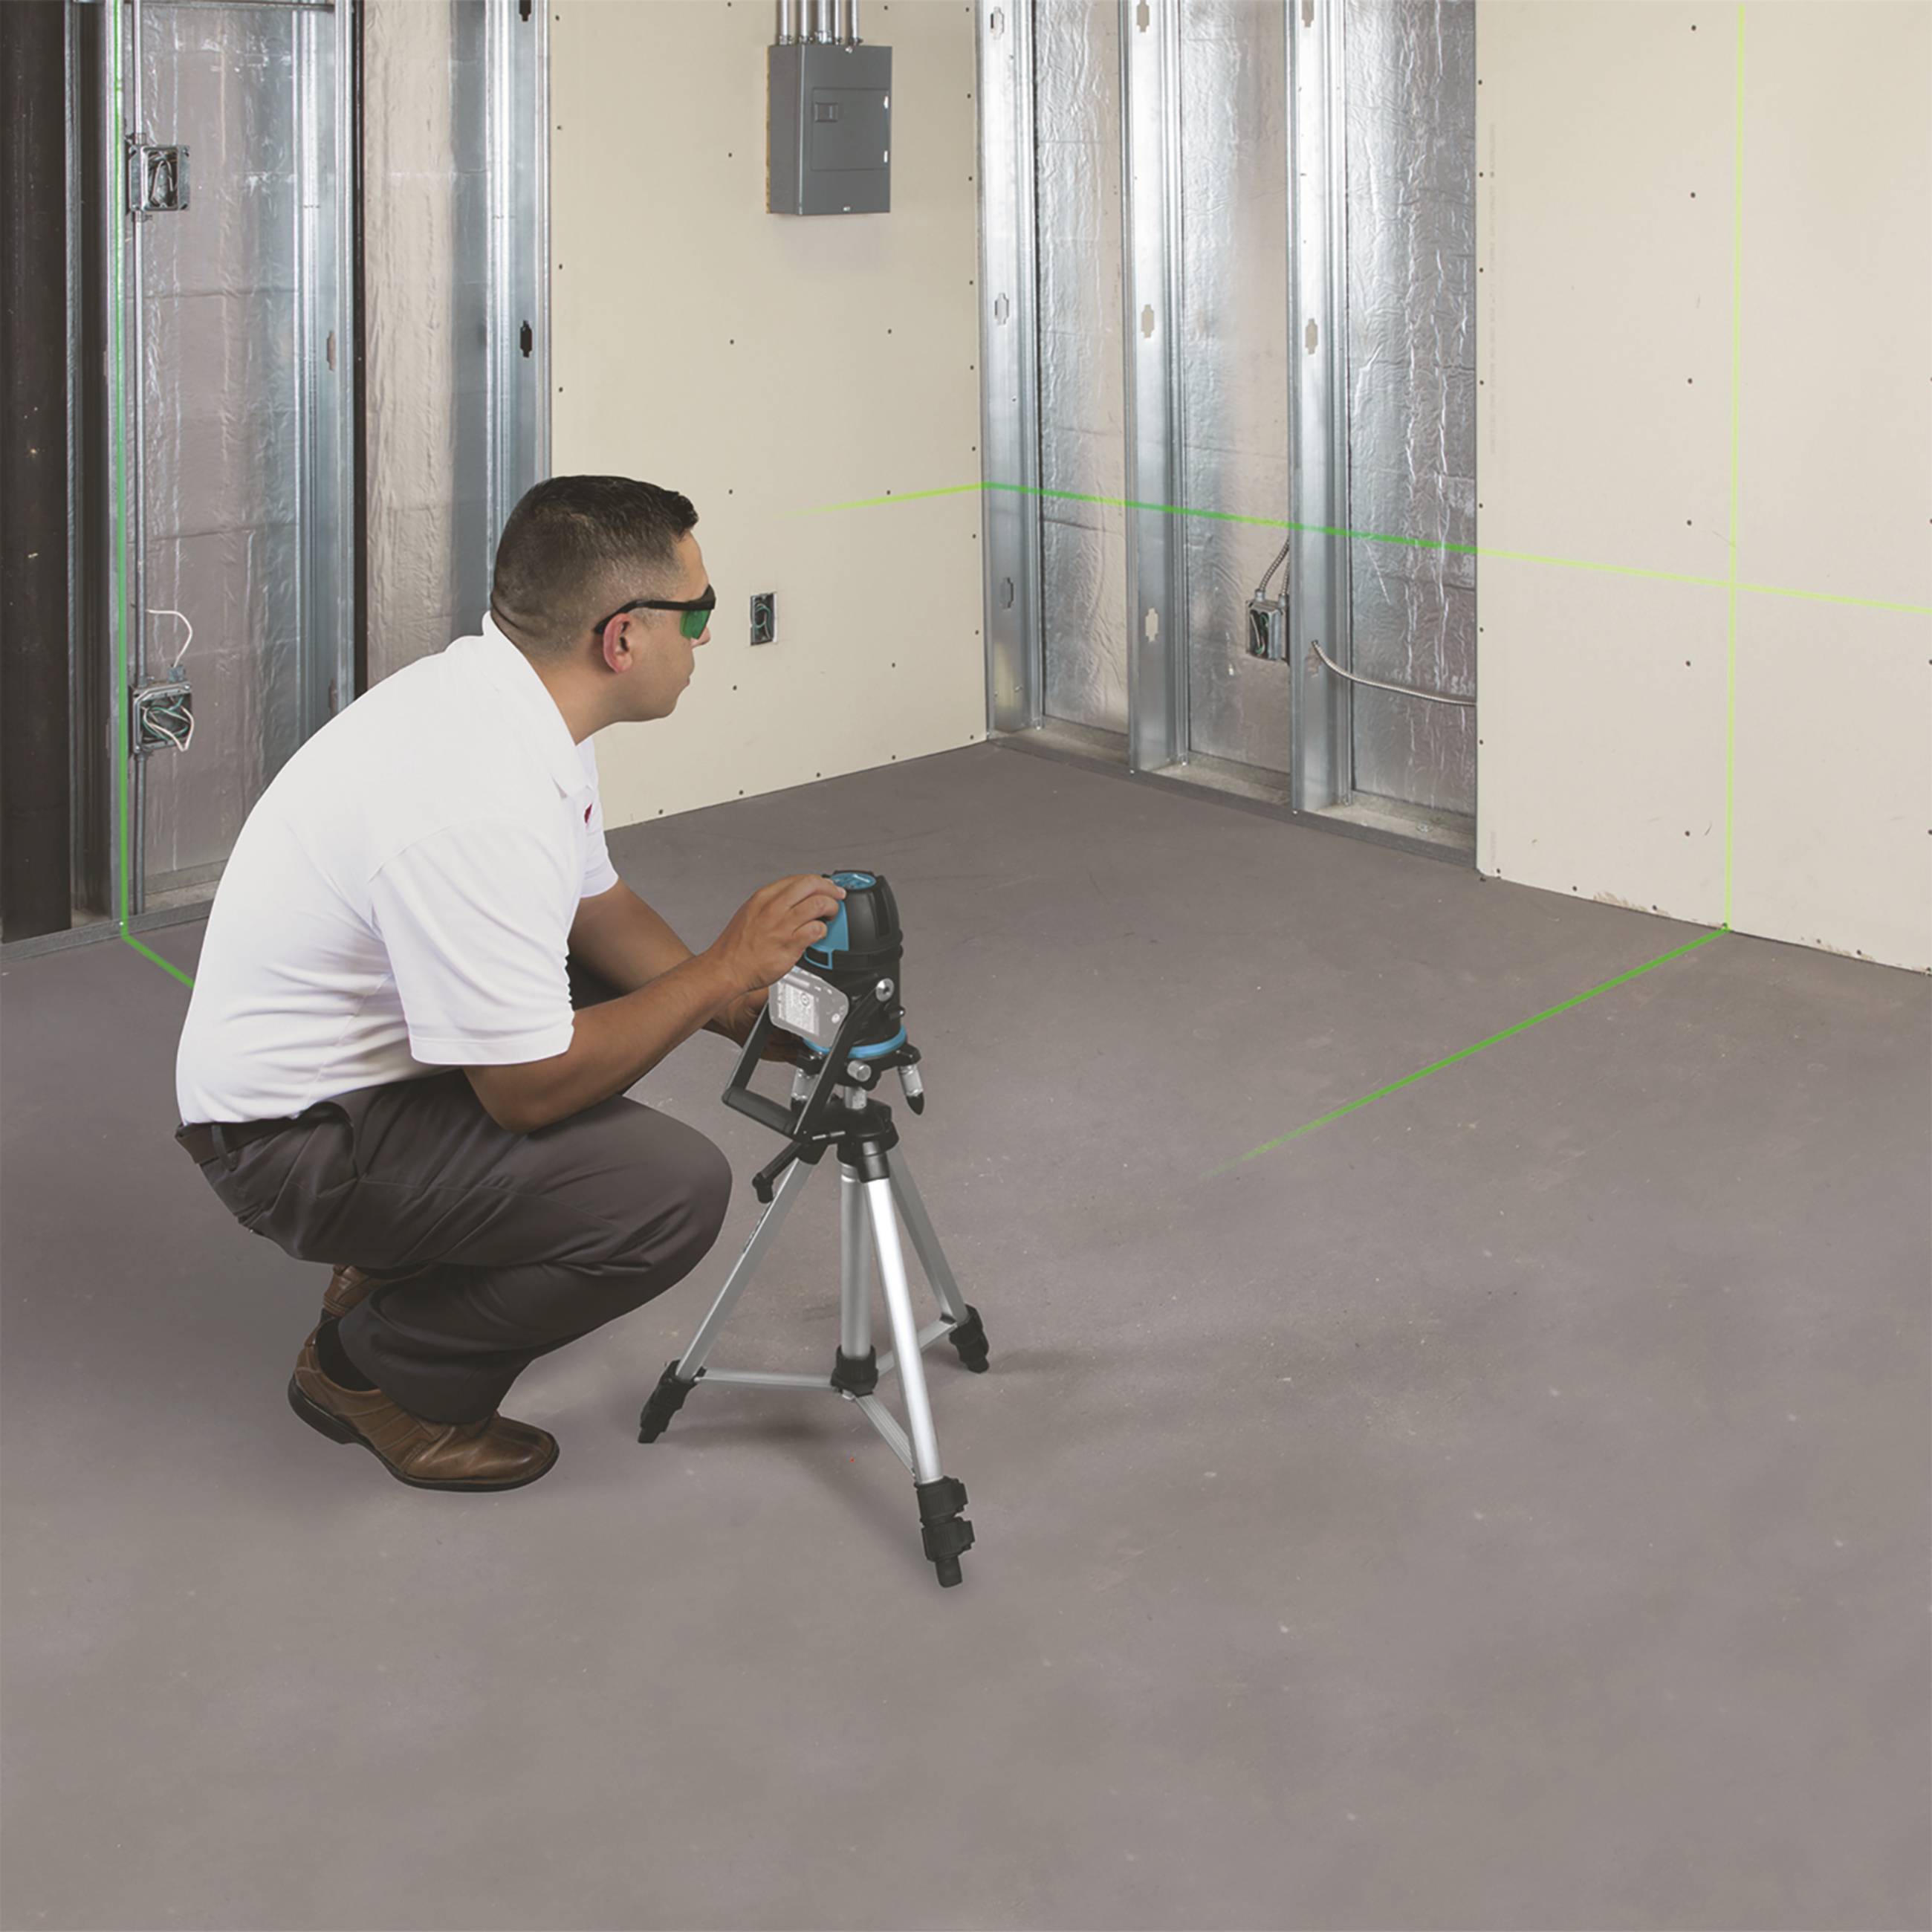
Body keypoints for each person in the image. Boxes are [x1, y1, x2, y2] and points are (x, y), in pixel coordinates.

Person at [172, 475, 846, 1494]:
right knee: (665, 1192)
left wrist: (742, 1009)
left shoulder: (512, 703)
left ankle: (409, 1247)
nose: (705, 635)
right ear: (622, 638)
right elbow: (527, 1090)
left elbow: (597, 909)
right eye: (697, 612)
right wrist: (719, 969)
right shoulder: (476, 800)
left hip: (355, 1072)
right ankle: (378, 1374)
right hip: (290, 1139)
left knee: (593, 985)